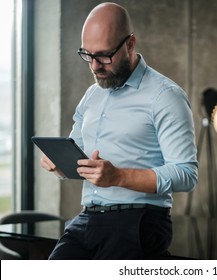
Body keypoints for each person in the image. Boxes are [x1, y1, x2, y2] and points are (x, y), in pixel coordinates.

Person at [39, 2, 198, 259]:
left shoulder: (165, 96)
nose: (94, 66)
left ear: (130, 44)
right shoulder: (91, 96)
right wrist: (62, 165)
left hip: (139, 222)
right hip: (87, 217)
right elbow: (81, 158)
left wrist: (118, 177)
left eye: (103, 55)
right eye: (87, 55)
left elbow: (186, 174)